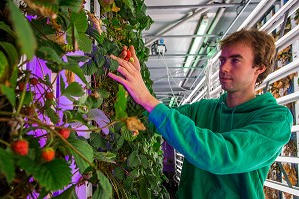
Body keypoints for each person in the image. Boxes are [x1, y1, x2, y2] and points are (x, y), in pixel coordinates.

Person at [108, 29, 293, 199]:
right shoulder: (204, 109)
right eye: (222, 60)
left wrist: (148, 99)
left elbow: (221, 155)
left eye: (235, 60)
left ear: (259, 68)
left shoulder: (275, 119)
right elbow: (152, 120)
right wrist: (131, 82)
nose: (224, 68)